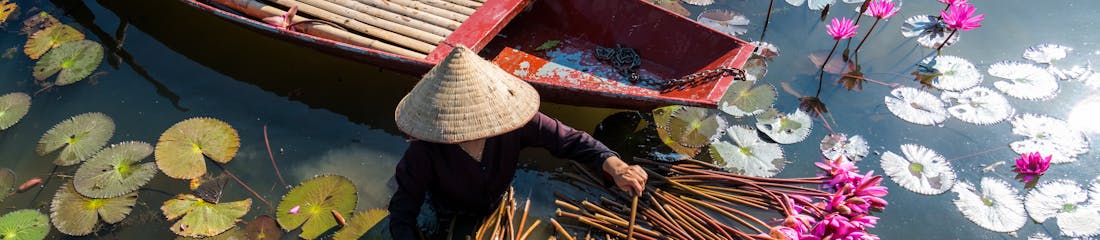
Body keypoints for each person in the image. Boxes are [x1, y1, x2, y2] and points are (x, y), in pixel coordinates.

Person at [389, 46, 648, 239]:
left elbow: (571, 140)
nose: (472, 127)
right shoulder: (424, 151)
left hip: (498, 200)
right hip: (447, 210)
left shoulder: (513, 123)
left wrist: (615, 166)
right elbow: (402, 212)